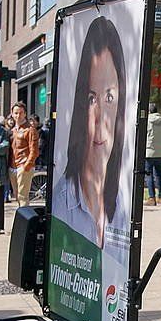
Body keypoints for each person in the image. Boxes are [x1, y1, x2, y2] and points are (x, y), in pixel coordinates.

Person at [52, 17, 129, 247]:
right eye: (91, 98)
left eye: (109, 97)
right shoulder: (62, 203)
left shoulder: (122, 204)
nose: (100, 118)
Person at [9, 102, 40, 207]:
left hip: (23, 166)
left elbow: (34, 150)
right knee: (17, 196)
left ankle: (25, 222)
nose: (18, 115)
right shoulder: (12, 130)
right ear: (12, 114)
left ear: (25, 114)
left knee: (23, 198)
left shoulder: (30, 130)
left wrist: (27, 166)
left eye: (21, 113)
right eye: (16, 113)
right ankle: (21, 219)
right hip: (13, 166)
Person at [144, 102, 161, 205]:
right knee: (158, 175)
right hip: (160, 152)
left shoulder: (148, 121)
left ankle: (151, 198)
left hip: (149, 151)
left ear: (149, 111)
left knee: (149, 175)